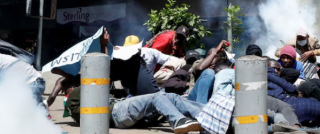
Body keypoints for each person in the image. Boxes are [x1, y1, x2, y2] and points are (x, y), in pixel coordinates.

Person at [66, 86, 203, 134]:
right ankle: (178, 121)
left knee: (171, 96)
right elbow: (101, 76)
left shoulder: (86, 106)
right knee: (157, 97)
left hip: (121, 115)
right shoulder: (76, 94)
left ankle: (204, 114)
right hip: (118, 113)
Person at [188, 40, 229, 104]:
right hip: (194, 99)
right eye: (210, 56)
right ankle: (200, 106)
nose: (212, 61)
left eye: (215, 57)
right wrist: (215, 51)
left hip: (212, 100)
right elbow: (200, 68)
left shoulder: (220, 68)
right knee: (209, 72)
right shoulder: (199, 63)